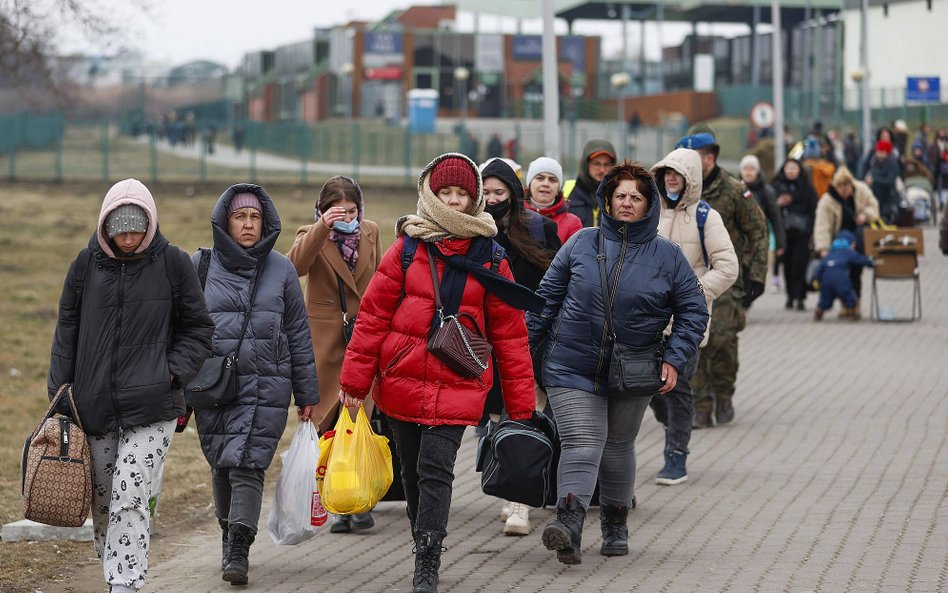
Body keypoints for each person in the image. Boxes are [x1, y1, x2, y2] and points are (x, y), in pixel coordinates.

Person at [337, 153, 542, 593]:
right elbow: (372, 317)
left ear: (476, 200)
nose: (453, 202)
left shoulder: (490, 255)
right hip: (401, 380)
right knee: (411, 470)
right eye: (445, 192)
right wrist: (354, 382)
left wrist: (521, 405)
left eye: (462, 195)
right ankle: (420, 539)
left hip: (459, 383)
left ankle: (428, 560)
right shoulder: (407, 248)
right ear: (431, 194)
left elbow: (510, 335)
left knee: (437, 469)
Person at [528, 161, 708, 565]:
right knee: (582, 442)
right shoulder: (579, 244)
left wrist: (675, 359)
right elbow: (543, 304)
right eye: (620, 196)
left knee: (617, 446)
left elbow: (694, 311)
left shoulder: (668, 256)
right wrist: (525, 355)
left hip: (635, 368)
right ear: (607, 200)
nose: (627, 203)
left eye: (636, 197)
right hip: (572, 365)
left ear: (649, 205)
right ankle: (569, 524)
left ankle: (614, 523)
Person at [48, 178, 215, 593]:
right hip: (95, 405)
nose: (127, 237)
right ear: (105, 227)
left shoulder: (174, 264)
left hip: (154, 404)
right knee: (103, 501)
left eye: (136, 228)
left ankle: (125, 583)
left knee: (130, 493)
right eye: (118, 228)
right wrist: (60, 394)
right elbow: (66, 328)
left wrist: (170, 371)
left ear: (151, 224)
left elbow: (199, 329)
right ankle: (116, 572)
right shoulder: (85, 266)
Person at [194, 184, 318, 586]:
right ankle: (229, 532)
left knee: (247, 464)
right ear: (224, 221)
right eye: (239, 217)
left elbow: (299, 333)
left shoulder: (281, 268)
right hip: (214, 385)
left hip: (267, 384)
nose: (248, 225)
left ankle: (238, 548)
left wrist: (307, 395)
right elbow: (184, 330)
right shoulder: (202, 265)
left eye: (254, 217)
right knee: (221, 463)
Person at [287, 175, 383, 534]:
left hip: (362, 337)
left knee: (358, 418)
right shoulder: (308, 233)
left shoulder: (371, 231)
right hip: (325, 339)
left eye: (352, 210)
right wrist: (320, 229)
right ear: (322, 210)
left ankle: (359, 502)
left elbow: (379, 279)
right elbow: (294, 266)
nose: (346, 217)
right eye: (336, 211)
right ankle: (336, 500)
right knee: (326, 420)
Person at [479, 157, 561, 536]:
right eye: (487, 192)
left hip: (532, 338)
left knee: (526, 416)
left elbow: (560, 284)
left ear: (514, 192)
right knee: (497, 420)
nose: (494, 199)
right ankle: (505, 488)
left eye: (500, 192)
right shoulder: (475, 231)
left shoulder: (541, 229)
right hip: (487, 341)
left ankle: (520, 505)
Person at [650, 149, 739, 485]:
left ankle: (676, 456)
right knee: (651, 391)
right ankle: (671, 423)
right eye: (666, 173)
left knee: (679, 386)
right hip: (649, 321)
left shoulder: (706, 216)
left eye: (678, 174)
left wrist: (693, 294)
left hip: (687, 323)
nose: (671, 179)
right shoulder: (651, 211)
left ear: (691, 179)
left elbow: (728, 267)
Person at [675, 125, 768, 428]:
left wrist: (757, 275)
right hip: (690, 280)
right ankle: (700, 405)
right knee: (695, 340)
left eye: (695, 156)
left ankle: (723, 392)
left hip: (727, 279)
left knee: (723, 340)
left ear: (710, 158)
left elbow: (757, 231)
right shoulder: (677, 194)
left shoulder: (733, 190)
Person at [813, 166, 879, 311]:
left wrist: (865, 215)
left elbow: (874, 206)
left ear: (852, 185)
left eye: (847, 188)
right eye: (840, 189)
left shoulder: (862, 190)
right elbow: (822, 226)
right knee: (838, 274)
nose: (844, 192)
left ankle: (855, 304)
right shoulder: (827, 201)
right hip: (837, 242)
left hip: (858, 238)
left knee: (856, 271)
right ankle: (844, 304)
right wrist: (823, 249)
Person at [771, 158, 819, 311]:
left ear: (799, 170)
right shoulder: (776, 186)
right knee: (787, 265)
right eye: (788, 167)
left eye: (794, 167)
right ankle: (790, 296)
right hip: (784, 233)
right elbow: (769, 210)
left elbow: (813, 210)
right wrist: (778, 203)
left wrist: (812, 232)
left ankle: (800, 297)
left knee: (801, 264)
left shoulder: (806, 188)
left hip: (802, 232)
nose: (791, 170)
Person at [739, 154, 785, 298]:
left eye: (752, 169)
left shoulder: (767, 192)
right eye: (745, 168)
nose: (748, 172)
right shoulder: (734, 189)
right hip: (738, 239)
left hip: (758, 240)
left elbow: (776, 218)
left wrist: (780, 243)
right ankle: (741, 304)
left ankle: (746, 300)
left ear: (757, 171)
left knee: (755, 277)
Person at [813, 229, 874, 321]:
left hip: (826, 281)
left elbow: (819, 269)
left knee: (825, 299)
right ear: (849, 244)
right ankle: (853, 312)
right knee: (848, 296)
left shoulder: (829, 255)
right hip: (841, 280)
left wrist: (816, 279)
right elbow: (861, 260)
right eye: (853, 244)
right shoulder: (849, 253)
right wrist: (871, 263)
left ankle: (820, 310)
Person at [523, 156, 583, 244]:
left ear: (559, 188)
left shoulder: (572, 223)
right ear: (529, 184)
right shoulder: (514, 215)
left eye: (552, 180)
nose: (546, 184)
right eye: (540, 178)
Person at [562, 140, 617, 227]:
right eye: (596, 164)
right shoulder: (565, 190)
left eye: (606, 165)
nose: (602, 169)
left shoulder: (618, 195)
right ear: (586, 164)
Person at [864, 139, 901, 224]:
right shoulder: (875, 162)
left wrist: (875, 180)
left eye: (880, 150)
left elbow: (890, 181)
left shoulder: (892, 163)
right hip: (876, 195)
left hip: (888, 198)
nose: (877, 152)